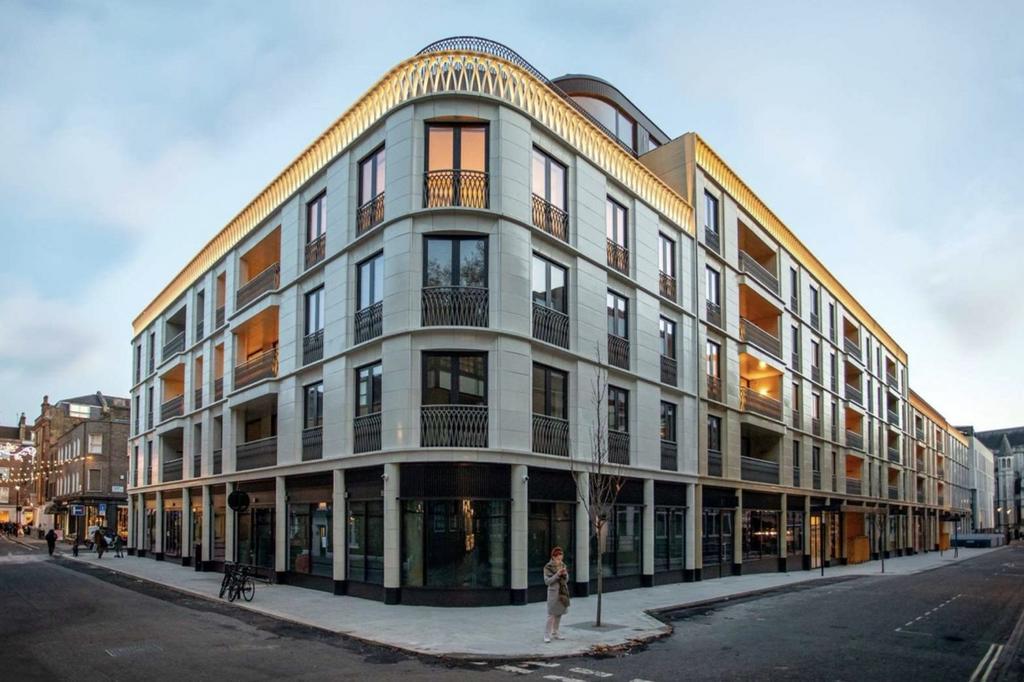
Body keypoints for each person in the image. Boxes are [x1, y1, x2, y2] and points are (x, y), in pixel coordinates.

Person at [543, 546, 571, 643]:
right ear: (553, 557)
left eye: (561, 558)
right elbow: (547, 581)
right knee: (551, 614)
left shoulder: (563, 565)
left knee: (559, 613)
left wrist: (565, 574)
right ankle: (546, 634)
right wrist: (557, 575)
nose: (560, 560)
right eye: (558, 558)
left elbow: (566, 580)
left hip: (562, 592)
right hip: (553, 593)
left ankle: (555, 632)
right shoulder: (548, 567)